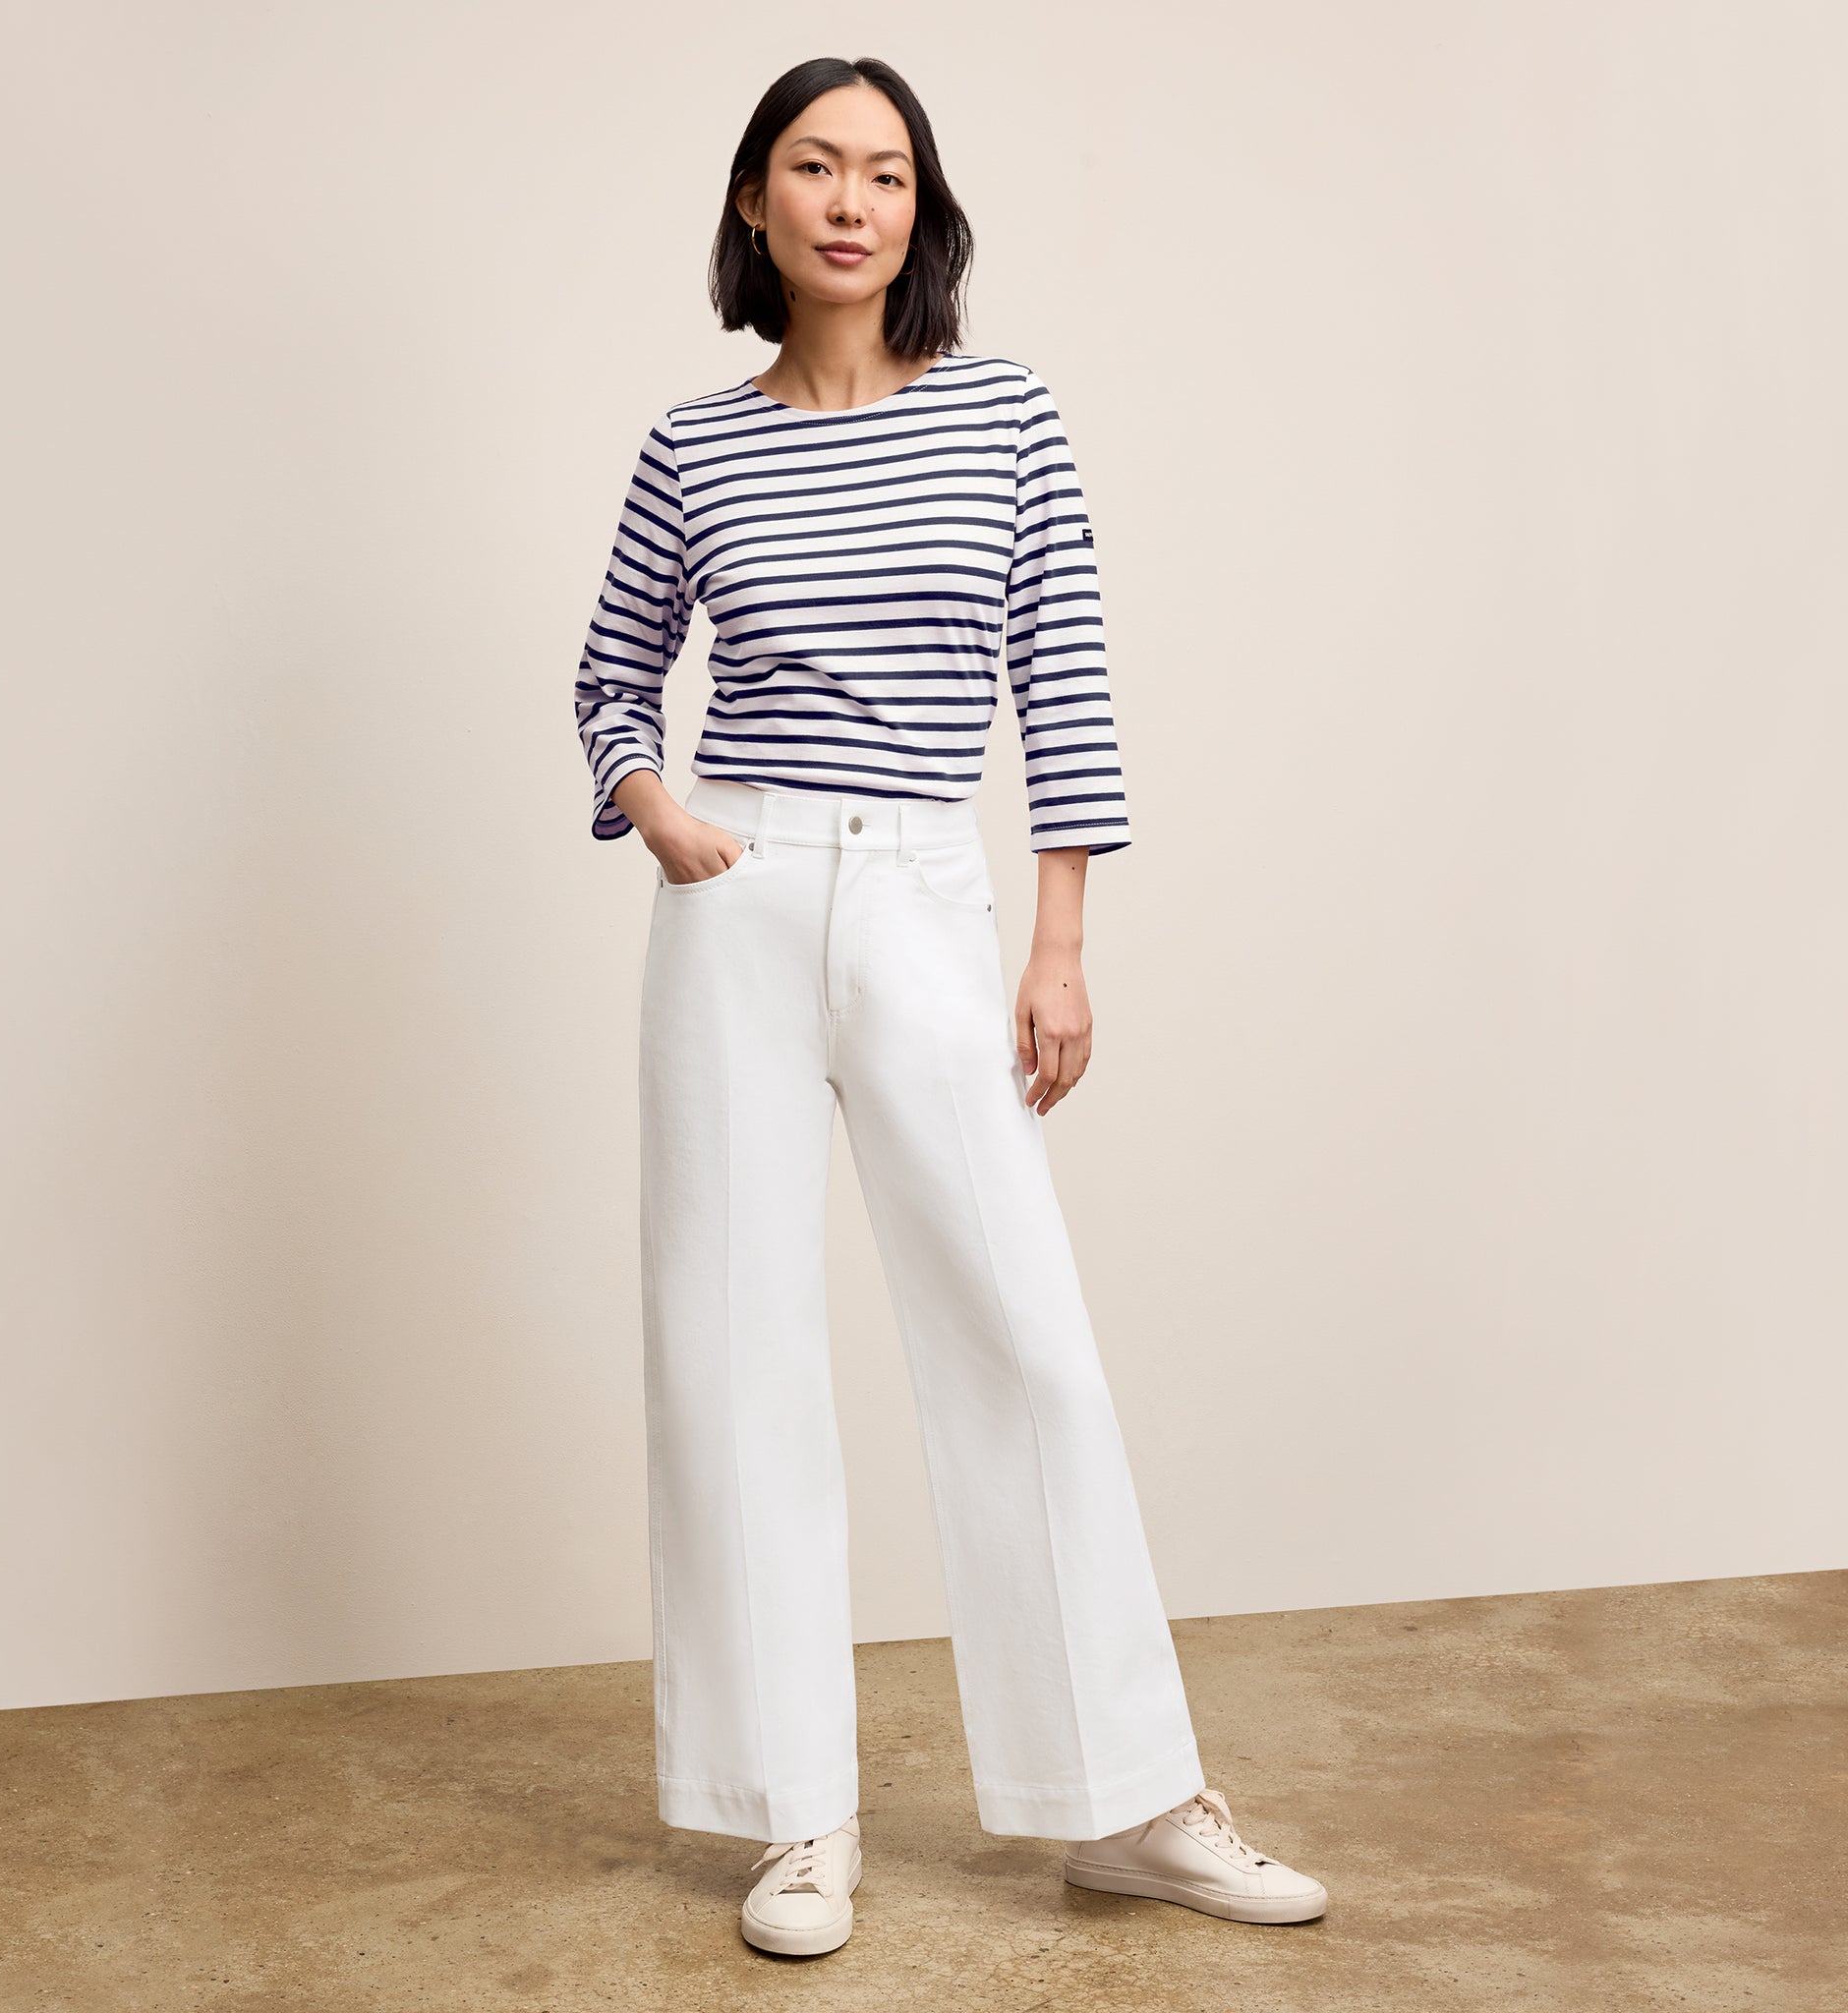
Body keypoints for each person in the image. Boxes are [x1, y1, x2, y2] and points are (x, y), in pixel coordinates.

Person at [571, 54, 1329, 1958]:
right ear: (755, 203)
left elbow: (1058, 678)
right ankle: (791, 1818)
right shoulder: (693, 444)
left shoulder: (1004, 419)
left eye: (885, 172)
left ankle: (1128, 1801)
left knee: (1020, 1333)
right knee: (731, 1349)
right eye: (813, 167)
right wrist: (654, 803)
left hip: (921, 881)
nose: (850, 200)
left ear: (921, 210)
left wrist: (1059, 941)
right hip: (734, 892)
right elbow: (608, 675)